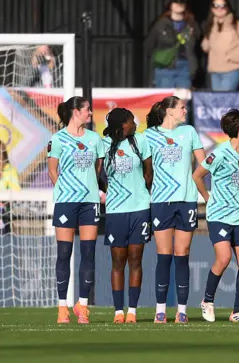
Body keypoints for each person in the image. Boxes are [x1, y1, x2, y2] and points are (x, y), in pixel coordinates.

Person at [144, 96, 209, 324]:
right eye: (182, 107)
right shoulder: (149, 135)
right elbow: (145, 170)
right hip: (161, 201)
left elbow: (204, 165)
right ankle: (160, 310)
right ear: (169, 111)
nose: (185, 110)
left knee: (182, 255)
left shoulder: (189, 132)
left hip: (186, 200)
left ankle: (182, 310)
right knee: (163, 256)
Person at [196, 110, 239, 324]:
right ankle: (207, 301)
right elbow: (197, 176)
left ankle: (237, 312)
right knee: (223, 259)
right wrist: (207, 198)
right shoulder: (220, 152)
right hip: (219, 216)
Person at [47, 96, 104, 324]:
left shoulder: (94, 139)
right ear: (75, 112)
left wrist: (89, 188)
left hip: (90, 201)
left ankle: (83, 305)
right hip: (66, 203)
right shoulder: (58, 139)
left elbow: (97, 169)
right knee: (64, 253)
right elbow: (53, 170)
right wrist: (65, 192)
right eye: (87, 110)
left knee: (88, 253)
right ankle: (62, 307)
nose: (90, 114)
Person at [101, 108, 153, 324]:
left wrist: (142, 194)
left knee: (135, 259)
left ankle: (132, 310)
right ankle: (118, 312)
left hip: (140, 208)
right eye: (132, 120)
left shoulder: (140, 141)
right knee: (118, 261)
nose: (136, 123)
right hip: (115, 210)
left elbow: (148, 172)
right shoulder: (104, 145)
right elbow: (97, 174)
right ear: (123, 124)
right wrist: (108, 192)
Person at [145, 0, 201, 89]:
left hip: (185, 66)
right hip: (165, 67)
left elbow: (197, 43)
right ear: (170, 5)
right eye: (175, 1)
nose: (179, 3)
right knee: (165, 100)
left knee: (182, 101)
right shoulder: (160, 24)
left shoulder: (192, 24)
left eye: (182, 1)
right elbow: (149, 45)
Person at [201, 0, 239, 91]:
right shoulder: (210, 26)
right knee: (219, 103)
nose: (219, 8)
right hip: (215, 70)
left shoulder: (238, 25)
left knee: (224, 98)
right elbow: (206, 48)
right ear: (212, 8)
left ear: (228, 7)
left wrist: (234, 57)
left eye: (223, 5)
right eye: (215, 5)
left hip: (232, 69)